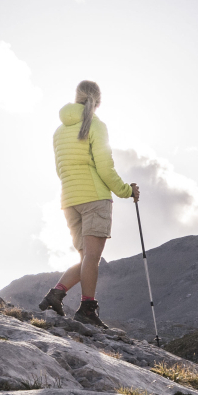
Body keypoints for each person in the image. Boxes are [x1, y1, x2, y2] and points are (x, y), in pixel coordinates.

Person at [39, 80, 139, 324]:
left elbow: (59, 169)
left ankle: (56, 294)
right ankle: (87, 310)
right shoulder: (96, 125)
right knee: (92, 259)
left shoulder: (59, 131)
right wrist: (127, 191)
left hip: (69, 200)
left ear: (76, 97)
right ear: (98, 100)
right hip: (94, 198)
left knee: (86, 259)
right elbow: (105, 168)